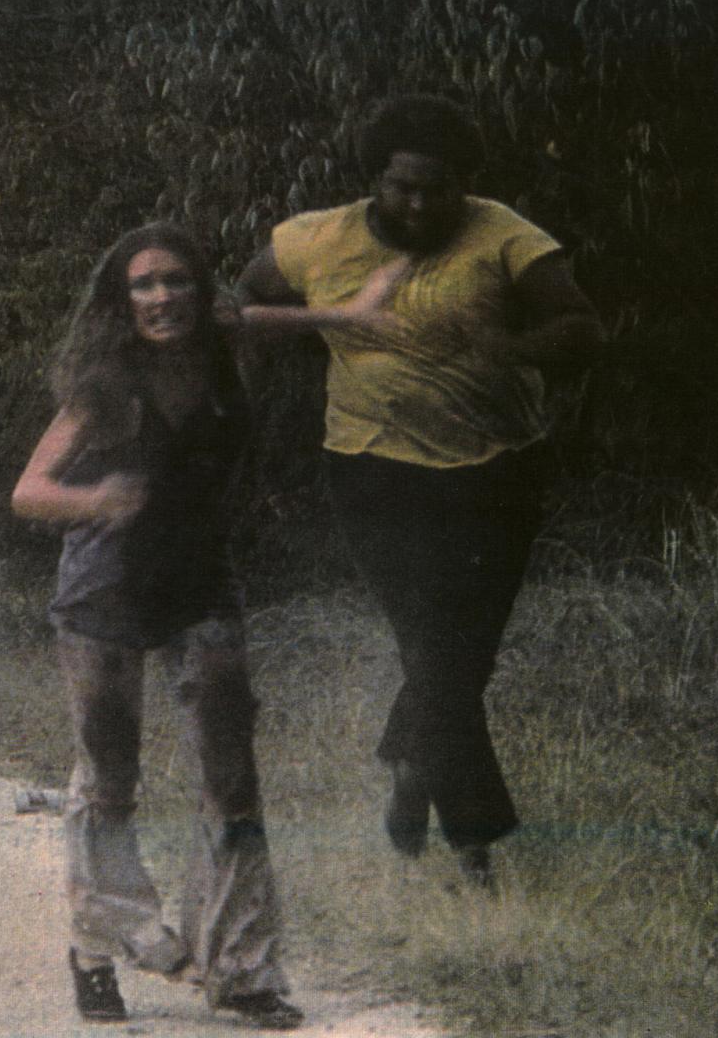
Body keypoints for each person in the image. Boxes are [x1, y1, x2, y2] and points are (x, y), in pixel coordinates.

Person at [233, 94, 603, 887]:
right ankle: (476, 848)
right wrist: (327, 329)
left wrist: (509, 348)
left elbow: (581, 329)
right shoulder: (316, 238)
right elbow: (243, 305)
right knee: (432, 649)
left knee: (462, 655)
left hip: (496, 469)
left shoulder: (505, 235)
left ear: (464, 184)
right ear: (374, 179)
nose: (421, 205)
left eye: (440, 189)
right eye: (404, 187)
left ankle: (409, 759)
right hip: (372, 469)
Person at [11, 222, 365, 1029]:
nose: (162, 296)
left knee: (232, 778)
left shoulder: (223, 347)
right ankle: (100, 947)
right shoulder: (104, 385)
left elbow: (273, 318)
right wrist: (94, 500)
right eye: (143, 284)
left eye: (176, 280)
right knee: (108, 778)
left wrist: (354, 315)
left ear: (203, 292)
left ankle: (241, 970)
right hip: (104, 592)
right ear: (121, 299)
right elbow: (28, 491)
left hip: (201, 587)